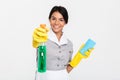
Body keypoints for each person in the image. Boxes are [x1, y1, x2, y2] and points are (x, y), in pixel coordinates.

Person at [32, 6, 93, 80]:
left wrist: (78, 57)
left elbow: (66, 70)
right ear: (49, 20)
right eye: (53, 19)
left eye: (61, 20)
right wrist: (36, 42)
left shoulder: (69, 44)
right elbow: (36, 46)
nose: (56, 23)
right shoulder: (41, 38)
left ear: (65, 22)